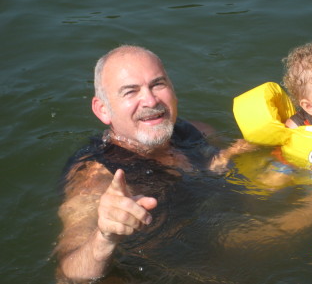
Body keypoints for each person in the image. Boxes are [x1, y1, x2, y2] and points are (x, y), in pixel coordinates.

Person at [54, 45, 253, 283]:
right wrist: (105, 237)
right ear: (103, 110)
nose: (150, 99)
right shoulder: (97, 176)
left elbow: (229, 174)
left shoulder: (197, 133)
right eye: (130, 92)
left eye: (158, 84)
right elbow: (69, 274)